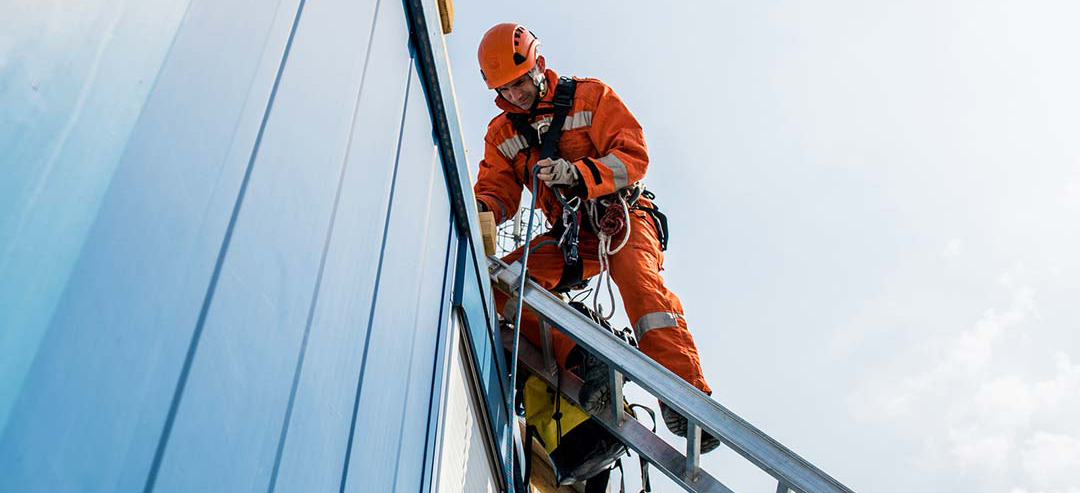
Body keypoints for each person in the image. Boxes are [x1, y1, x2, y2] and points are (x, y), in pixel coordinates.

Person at [473, 23, 718, 453]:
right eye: (504, 90)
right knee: (496, 283)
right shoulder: (503, 135)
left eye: (518, 84)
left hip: (620, 218)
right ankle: (583, 359)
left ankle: (685, 396)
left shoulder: (589, 98)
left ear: (539, 66)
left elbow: (633, 156)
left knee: (639, 287)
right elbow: (496, 190)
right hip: (571, 238)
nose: (514, 96)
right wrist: (481, 212)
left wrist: (580, 175)